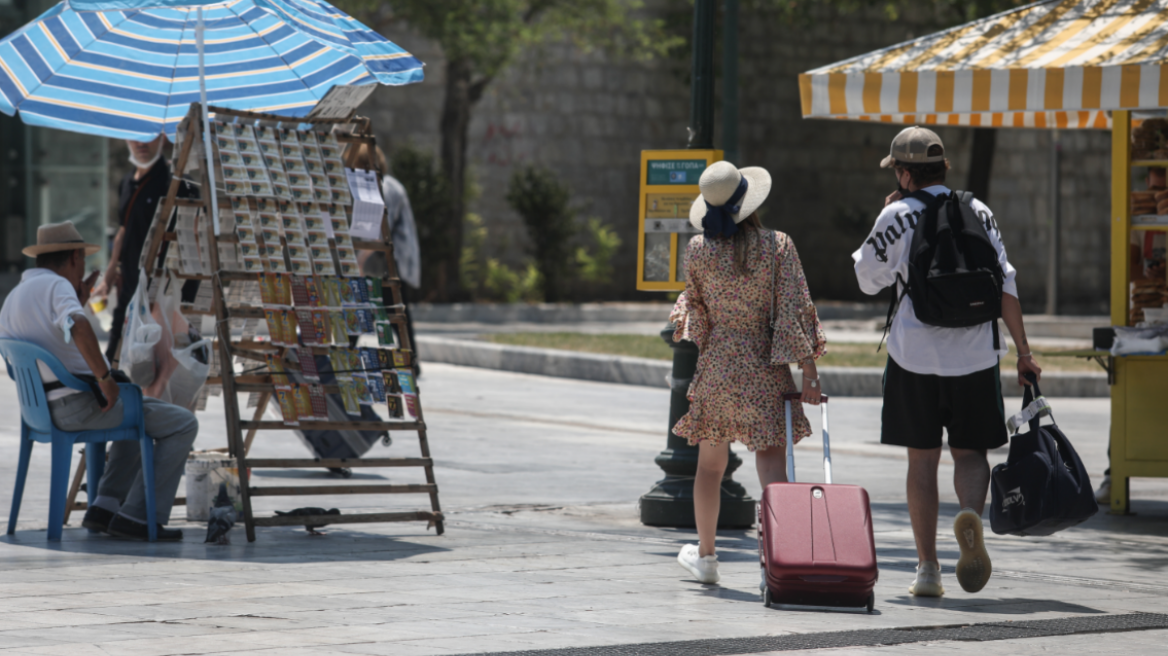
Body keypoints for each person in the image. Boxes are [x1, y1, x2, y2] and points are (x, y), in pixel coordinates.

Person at [853, 126, 1042, 597]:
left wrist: (885, 218)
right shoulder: (978, 210)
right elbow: (1007, 286)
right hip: (976, 356)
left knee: (922, 459)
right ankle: (971, 520)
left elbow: (866, 280)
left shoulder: (896, 214)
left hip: (913, 357)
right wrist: (1024, 351)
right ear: (943, 169)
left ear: (903, 172)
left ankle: (927, 569)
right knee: (970, 453)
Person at [671, 161, 827, 584]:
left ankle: (706, 557)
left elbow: (695, 313)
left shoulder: (699, 249)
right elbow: (794, 309)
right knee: (772, 467)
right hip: (764, 366)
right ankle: (780, 561)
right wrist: (808, 371)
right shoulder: (778, 246)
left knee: (709, 467)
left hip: (718, 365)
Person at [0, 222, 199, 540]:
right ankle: (136, 516)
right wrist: (104, 379)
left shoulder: (15, 296)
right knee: (182, 422)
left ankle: (103, 507)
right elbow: (78, 326)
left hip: (41, 411)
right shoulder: (56, 287)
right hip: (77, 406)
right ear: (76, 257)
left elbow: (52, 336)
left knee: (136, 407)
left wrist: (78, 299)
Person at [93, 135, 196, 365]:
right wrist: (108, 277)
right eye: (135, 138)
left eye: (148, 137)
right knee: (115, 358)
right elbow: (123, 230)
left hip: (161, 290)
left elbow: (193, 232)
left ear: (160, 139)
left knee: (157, 364)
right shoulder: (126, 182)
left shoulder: (174, 181)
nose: (141, 144)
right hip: (129, 285)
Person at [343, 142, 421, 370]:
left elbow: (378, 232)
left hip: (390, 262)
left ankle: (347, 354)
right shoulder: (385, 186)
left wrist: (358, 262)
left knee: (382, 308)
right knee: (393, 311)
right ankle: (411, 359)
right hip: (386, 262)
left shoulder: (382, 188)